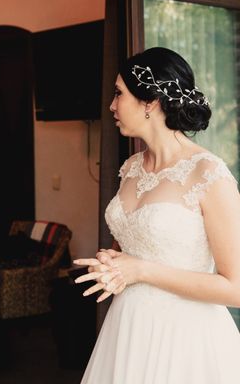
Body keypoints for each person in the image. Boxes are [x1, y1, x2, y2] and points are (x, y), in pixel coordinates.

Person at [75, 47, 240, 383]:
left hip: (186, 340)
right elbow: (135, 250)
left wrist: (139, 269)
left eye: (119, 94)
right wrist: (114, 263)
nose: (111, 106)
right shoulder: (131, 168)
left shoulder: (209, 174)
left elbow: (236, 287)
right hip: (127, 329)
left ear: (149, 102)